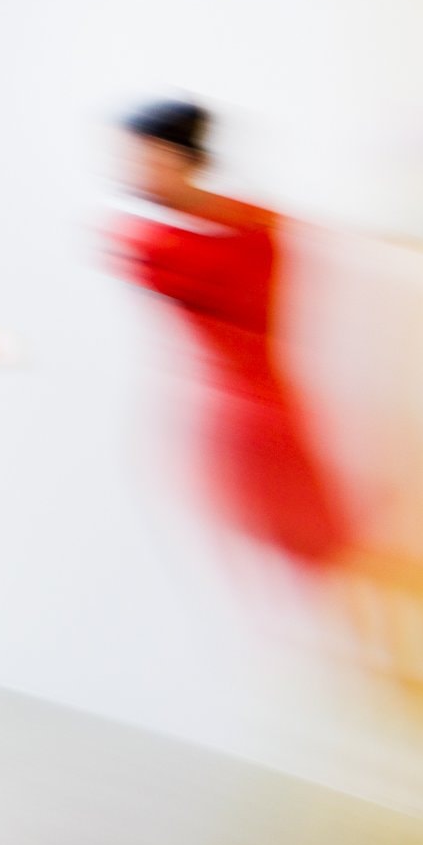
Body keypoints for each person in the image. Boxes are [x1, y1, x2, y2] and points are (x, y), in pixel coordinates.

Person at [109, 99, 350, 571]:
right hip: (250, 417)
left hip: (256, 422)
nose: (131, 173)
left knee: (316, 554)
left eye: (146, 159)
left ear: (184, 160)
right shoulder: (228, 229)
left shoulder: (158, 242)